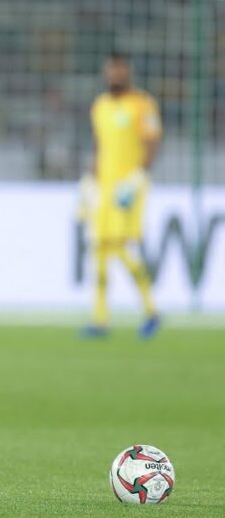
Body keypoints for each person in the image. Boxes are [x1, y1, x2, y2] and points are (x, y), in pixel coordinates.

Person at [80, 53, 161, 339]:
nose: (114, 75)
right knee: (99, 247)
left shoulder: (142, 104)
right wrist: (90, 178)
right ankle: (100, 319)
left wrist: (138, 176)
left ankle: (151, 310)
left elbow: (152, 142)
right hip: (104, 186)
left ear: (127, 72)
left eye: (118, 70)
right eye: (110, 70)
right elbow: (99, 145)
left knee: (119, 245)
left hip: (128, 188)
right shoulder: (100, 106)